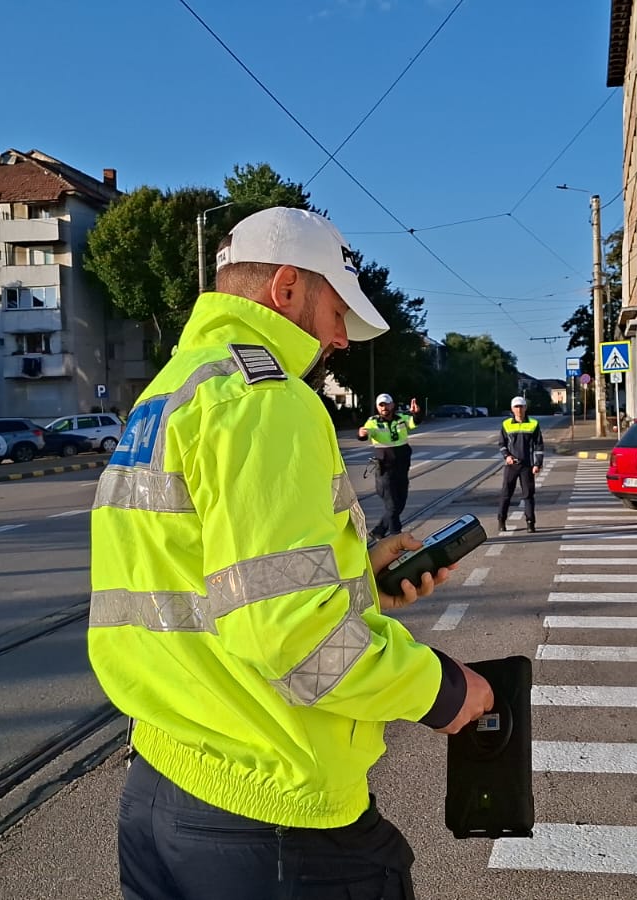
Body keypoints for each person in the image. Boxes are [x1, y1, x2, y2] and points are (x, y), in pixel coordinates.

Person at [89, 206, 495, 900]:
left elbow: (205, 578)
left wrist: (356, 580)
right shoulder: (267, 400)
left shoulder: (170, 392)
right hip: (271, 810)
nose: (341, 338)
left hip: (160, 787)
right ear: (285, 289)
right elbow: (293, 639)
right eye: (338, 311)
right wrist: (444, 690)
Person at [357, 393, 421, 539]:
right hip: (384, 469)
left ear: (392, 405)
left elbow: (414, 422)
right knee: (392, 506)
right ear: (377, 407)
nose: (384, 407)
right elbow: (365, 434)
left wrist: (417, 413)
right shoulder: (373, 422)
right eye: (381, 405)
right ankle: (395, 536)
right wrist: (361, 433)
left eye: (386, 404)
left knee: (400, 503)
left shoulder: (401, 418)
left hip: (402, 467)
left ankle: (379, 531)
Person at [497, 397, 544, 533]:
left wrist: (537, 464)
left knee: (528, 495)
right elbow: (502, 444)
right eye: (516, 407)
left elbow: (539, 445)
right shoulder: (506, 424)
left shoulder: (533, 424)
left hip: (527, 465)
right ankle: (501, 520)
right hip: (511, 465)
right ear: (512, 409)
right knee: (506, 494)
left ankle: (530, 523)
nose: (519, 409)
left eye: (521, 407)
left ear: (525, 408)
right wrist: (507, 456)